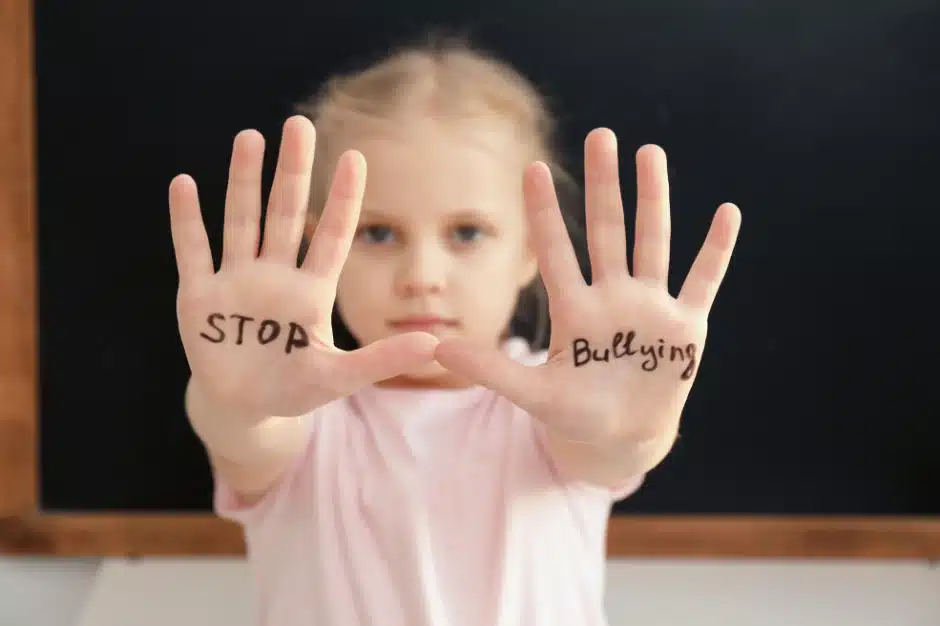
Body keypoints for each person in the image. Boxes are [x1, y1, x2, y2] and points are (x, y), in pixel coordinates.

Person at [168, 35, 741, 626]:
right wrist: (228, 402)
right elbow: (244, 433)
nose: (422, 277)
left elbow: (605, 445)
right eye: (379, 234)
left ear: (531, 251)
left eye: (466, 233)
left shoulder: (554, 409)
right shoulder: (304, 416)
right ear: (320, 247)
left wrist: (633, 431)